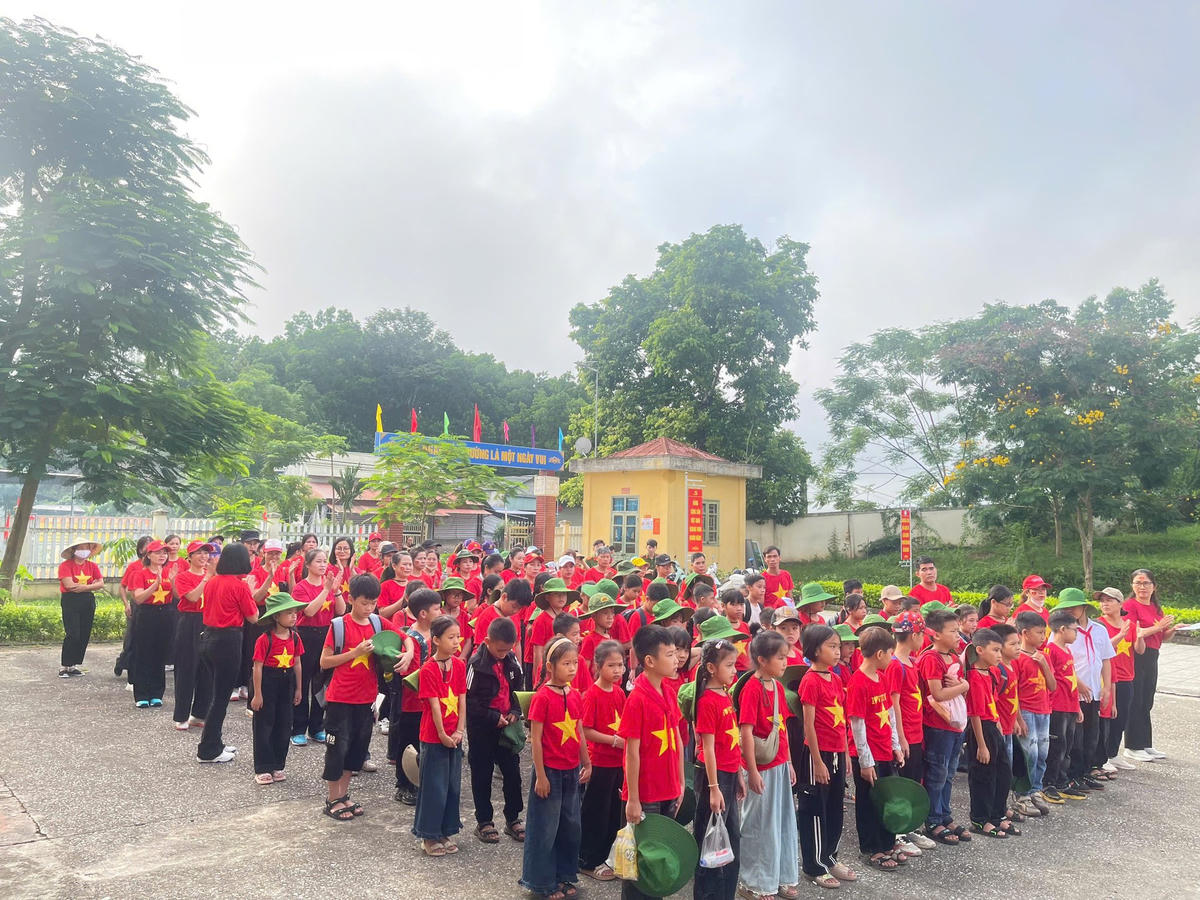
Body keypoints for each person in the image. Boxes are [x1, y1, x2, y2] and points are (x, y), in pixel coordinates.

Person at [318, 574, 398, 820]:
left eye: (373, 603)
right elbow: (324, 662)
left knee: (355, 750)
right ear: (351, 599)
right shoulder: (339, 625)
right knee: (336, 749)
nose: (369, 608)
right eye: (364, 602)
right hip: (340, 699)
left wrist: (408, 652)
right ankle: (332, 799)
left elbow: (404, 636)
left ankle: (343, 795)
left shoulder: (377, 623)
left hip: (366, 699)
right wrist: (355, 652)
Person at [520, 636, 591, 899]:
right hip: (549, 771)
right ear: (550, 666)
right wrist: (540, 775)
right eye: (566, 663)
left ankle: (565, 875)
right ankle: (542, 881)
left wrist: (587, 761)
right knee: (545, 828)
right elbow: (535, 739)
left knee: (570, 826)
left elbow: (579, 730)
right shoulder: (542, 697)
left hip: (572, 770)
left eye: (575, 663)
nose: (572, 669)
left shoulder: (574, 695)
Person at [619, 624, 684, 900]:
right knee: (640, 865)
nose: (676, 659)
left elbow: (678, 738)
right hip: (645, 793)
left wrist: (680, 782)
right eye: (669, 654)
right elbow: (631, 753)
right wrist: (633, 799)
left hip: (669, 788)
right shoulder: (637, 700)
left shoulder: (668, 691)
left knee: (660, 861)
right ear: (649, 661)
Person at [796, 624, 853, 888]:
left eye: (837, 645)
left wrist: (846, 754)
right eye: (831, 646)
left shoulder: (836, 677)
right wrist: (817, 761)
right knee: (815, 809)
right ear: (814, 650)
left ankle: (830, 856)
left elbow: (841, 719)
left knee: (834, 807)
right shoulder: (810, 680)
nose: (837, 651)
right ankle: (814, 864)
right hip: (818, 753)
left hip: (837, 751)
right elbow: (809, 725)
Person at [847, 625, 907, 869]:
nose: (892, 658)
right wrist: (865, 762)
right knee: (869, 802)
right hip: (868, 755)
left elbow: (889, 714)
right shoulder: (858, 683)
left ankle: (887, 843)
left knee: (888, 800)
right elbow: (857, 725)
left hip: (884, 750)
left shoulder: (881, 677)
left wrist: (895, 745)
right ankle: (872, 848)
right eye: (891, 653)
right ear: (880, 654)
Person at [465, 615, 525, 845]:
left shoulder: (511, 660)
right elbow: (469, 700)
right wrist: (492, 717)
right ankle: (484, 821)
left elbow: (519, 687)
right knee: (482, 773)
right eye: (500, 650)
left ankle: (513, 817)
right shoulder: (476, 664)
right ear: (487, 641)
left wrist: (515, 711)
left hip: (507, 728)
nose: (504, 654)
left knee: (512, 773)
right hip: (482, 728)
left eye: (508, 649)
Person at [197, 542, 259, 763]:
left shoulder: (213, 582)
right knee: (221, 698)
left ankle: (214, 742)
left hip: (208, 638)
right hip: (228, 640)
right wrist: (250, 592)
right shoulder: (239, 585)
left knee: (217, 695)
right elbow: (253, 616)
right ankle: (208, 750)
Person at [692, 638, 744, 900]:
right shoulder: (707, 702)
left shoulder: (725, 693)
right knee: (709, 841)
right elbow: (708, 748)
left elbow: (731, 739)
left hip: (729, 775)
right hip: (714, 778)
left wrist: (738, 775)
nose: (735, 670)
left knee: (732, 838)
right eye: (730, 665)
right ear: (711, 668)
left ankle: (726, 894)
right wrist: (714, 789)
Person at [413, 614, 468, 855]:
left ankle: (446, 830)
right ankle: (428, 836)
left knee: (452, 786)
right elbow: (435, 705)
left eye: (458, 637)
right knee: (434, 786)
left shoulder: (459, 665)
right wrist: (444, 734)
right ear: (435, 640)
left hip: (454, 735)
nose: (456, 642)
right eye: (451, 637)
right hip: (434, 737)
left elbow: (462, 700)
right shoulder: (428, 669)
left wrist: (459, 730)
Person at [886, 611, 937, 851]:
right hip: (905, 733)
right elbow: (893, 703)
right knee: (902, 784)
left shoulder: (912, 662)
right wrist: (901, 737)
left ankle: (909, 827)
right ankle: (898, 833)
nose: (923, 639)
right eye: (922, 635)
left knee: (914, 780)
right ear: (914, 635)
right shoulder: (896, 665)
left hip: (917, 732)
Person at [919, 608, 970, 844]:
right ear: (936, 634)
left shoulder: (953, 657)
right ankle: (932, 818)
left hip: (955, 725)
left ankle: (945, 814)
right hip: (938, 724)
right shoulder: (931, 658)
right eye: (952, 631)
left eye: (958, 631)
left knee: (949, 773)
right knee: (937, 773)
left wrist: (961, 684)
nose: (958, 636)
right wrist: (963, 686)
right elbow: (937, 694)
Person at [1056, 588, 1115, 788]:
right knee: (1075, 737)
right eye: (1067, 608)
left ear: (1084, 607)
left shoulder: (1099, 630)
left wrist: (1107, 687)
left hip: (1094, 691)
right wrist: (1077, 683)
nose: (1071, 611)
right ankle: (1072, 775)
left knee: (1092, 735)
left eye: (1074, 607)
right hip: (1072, 693)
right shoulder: (1061, 631)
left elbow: (1106, 659)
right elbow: (1058, 661)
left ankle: (1085, 771)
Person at [579, 639, 627, 883]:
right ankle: (587, 859)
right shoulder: (592, 695)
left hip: (618, 763)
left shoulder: (619, 693)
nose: (617, 671)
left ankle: (608, 858)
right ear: (598, 666)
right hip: (599, 762)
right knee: (595, 812)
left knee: (613, 813)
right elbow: (585, 730)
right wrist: (614, 741)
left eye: (621, 665)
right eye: (611, 666)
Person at [964, 629, 1017, 837]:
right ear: (979, 650)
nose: (999, 655)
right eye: (995, 650)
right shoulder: (974, 676)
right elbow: (975, 713)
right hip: (980, 730)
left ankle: (998, 815)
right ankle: (980, 819)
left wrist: (997, 725)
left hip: (993, 726)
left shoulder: (993, 673)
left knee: (1003, 773)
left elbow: (992, 701)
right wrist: (982, 745)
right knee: (983, 776)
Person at [249, 592, 305, 785]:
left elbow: (297, 663)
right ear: (276, 616)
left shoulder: (295, 638)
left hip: (287, 681)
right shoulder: (264, 639)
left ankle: (278, 765)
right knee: (264, 725)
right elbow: (257, 667)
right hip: (268, 681)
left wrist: (299, 689)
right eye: (288, 613)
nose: (293, 616)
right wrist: (257, 694)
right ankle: (263, 767)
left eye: (295, 612)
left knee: (284, 724)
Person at [392, 588, 441, 805]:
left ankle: (422, 780)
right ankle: (403, 784)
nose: (441, 612)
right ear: (423, 614)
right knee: (408, 743)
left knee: (426, 744)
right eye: (437, 609)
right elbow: (408, 676)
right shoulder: (411, 639)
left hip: (432, 702)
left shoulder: (438, 634)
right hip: (413, 703)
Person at [291, 548, 345, 746]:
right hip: (306, 636)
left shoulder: (329, 585)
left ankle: (316, 727)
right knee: (302, 683)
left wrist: (336, 590)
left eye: (324, 561)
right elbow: (310, 611)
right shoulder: (301, 587)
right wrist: (325, 590)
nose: (323, 565)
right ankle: (298, 728)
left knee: (321, 683)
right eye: (318, 561)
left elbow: (340, 610)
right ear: (308, 565)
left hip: (326, 635)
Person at [1123, 568, 1175, 762]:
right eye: (1138, 583)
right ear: (1132, 586)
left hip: (1152, 656)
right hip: (1136, 655)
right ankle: (1132, 746)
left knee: (1147, 699)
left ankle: (1145, 743)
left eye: (1146, 583)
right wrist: (1159, 626)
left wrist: (1172, 629)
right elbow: (1135, 633)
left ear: (1154, 587)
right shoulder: (1130, 605)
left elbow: (1162, 636)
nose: (1142, 587)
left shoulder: (1155, 607)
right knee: (1135, 700)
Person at [1012, 610, 1056, 810]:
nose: (1043, 637)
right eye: (1039, 632)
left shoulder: (1043, 656)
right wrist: (1018, 717)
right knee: (1029, 752)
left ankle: (1036, 789)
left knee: (1042, 753)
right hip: (1027, 711)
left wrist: (1044, 664)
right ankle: (1022, 793)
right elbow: (1014, 692)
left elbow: (1052, 686)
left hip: (1044, 710)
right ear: (1025, 633)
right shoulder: (1017, 658)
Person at [1095, 587, 1142, 770]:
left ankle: (1114, 754)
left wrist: (1140, 636)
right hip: (1107, 678)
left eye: (1109, 600)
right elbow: (1102, 649)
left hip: (1127, 676)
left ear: (1120, 604)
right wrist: (1120, 635)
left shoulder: (1128, 623)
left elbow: (1139, 650)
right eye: (1102, 600)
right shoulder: (1099, 625)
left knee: (1121, 718)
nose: (1105, 604)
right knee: (1106, 719)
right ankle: (1102, 756)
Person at [1044, 608, 1086, 801]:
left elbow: (1071, 680)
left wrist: (1077, 706)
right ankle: (1049, 783)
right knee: (1056, 746)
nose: (1076, 634)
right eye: (1074, 630)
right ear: (1062, 629)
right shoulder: (1050, 650)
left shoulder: (1066, 650)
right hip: (1057, 706)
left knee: (1067, 745)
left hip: (1069, 706)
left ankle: (1062, 780)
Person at [172, 540, 215, 730]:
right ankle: (181, 715)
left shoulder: (214, 577)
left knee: (207, 669)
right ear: (189, 557)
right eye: (199, 553)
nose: (204, 556)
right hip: (190, 622)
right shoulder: (183, 577)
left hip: (209, 621)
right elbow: (192, 597)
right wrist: (206, 578)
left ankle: (199, 714)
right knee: (187, 669)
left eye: (206, 553)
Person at [128, 539, 174, 708]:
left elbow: (176, 594)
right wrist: (155, 584)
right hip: (146, 614)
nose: (162, 555)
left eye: (165, 552)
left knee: (159, 654)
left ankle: (156, 693)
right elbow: (138, 598)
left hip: (166, 613)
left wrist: (174, 581)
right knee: (143, 653)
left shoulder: (171, 572)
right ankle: (141, 693)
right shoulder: (139, 574)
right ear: (148, 555)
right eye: (158, 552)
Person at [56, 539, 103, 678]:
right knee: (73, 633)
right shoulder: (65, 566)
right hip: (71, 600)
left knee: (84, 633)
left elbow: (101, 583)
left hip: (87, 600)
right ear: (74, 550)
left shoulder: (93, 566)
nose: (85, 551)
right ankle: (65, 665)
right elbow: (69, 585)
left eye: (87, 548)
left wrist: (84, 588)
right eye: (81, 548)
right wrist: (90, 586)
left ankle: (74, 665)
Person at [114, 535, 152, 680]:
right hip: (136, 605)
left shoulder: (160, 568)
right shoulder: (134, 567)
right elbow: (123, 587)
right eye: (146, 547)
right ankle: (123, 662)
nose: (149, 549)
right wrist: (126, 605)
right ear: (140, 549)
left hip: (154, 608)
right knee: (132, 638)